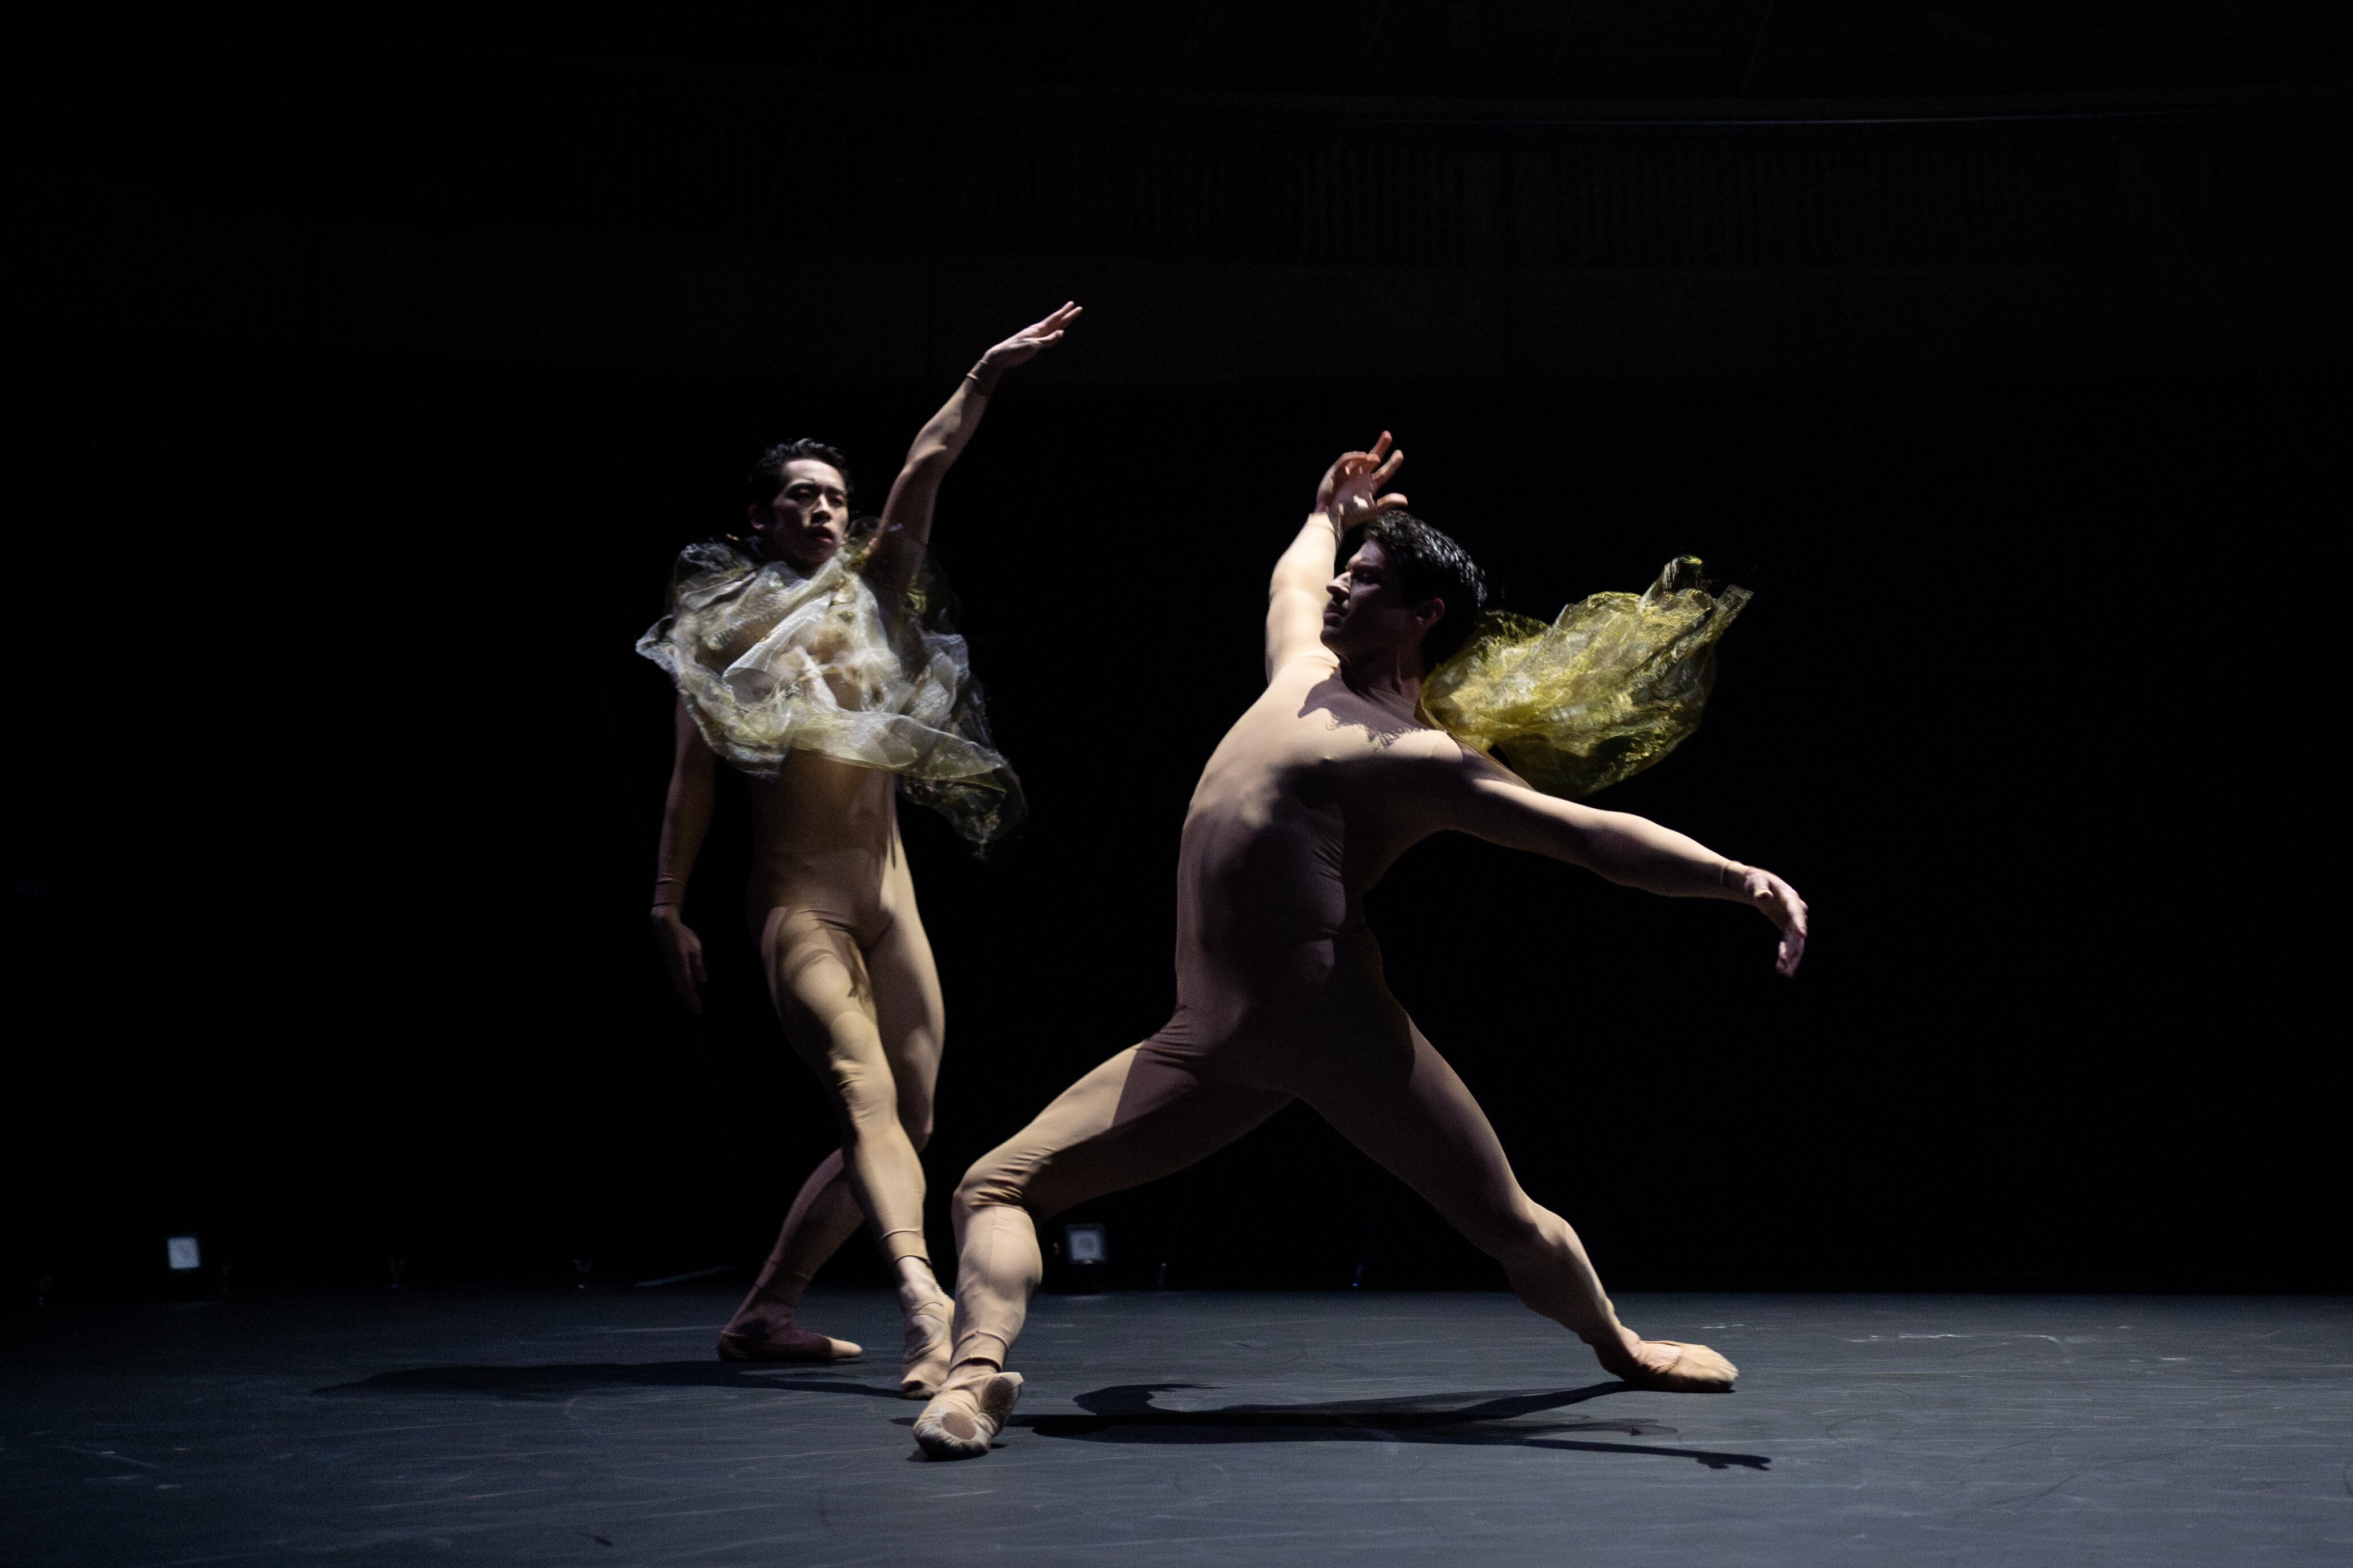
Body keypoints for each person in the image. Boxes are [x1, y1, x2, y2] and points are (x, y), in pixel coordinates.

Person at [913, 433, 1808, 1458]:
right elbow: (1289, 582)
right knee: (993, 1184)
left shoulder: (1414, 758)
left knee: (1507, 1220)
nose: (1340, 588)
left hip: (1337, 1031)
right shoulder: (1296, 676)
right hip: (1205, 1038)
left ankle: (1618, 1345)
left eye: (1368, 580)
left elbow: (1590, 840)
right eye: (1349, 571)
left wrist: (1736, 877)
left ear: (1422, 616)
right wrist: (1326, 514)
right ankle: (976, 1377)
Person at [639, 304, 1081, 1398]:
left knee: (913, 1119)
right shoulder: (727, 632)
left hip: (892, 904)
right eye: (802, 495)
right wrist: (666, 906)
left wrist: (981, 373)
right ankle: (922, 1302)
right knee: (862, 1091)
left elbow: (927, 466)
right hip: (800, 905)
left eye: (836, 496)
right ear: (760, 516)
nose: (825, 510)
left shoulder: (878, 597)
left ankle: (765, 1314)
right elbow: (692, 778)